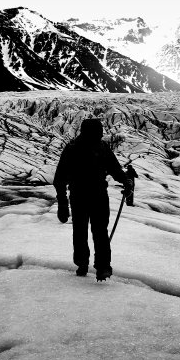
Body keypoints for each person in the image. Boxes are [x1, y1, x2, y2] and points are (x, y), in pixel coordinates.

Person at [53, 118, 132, 281]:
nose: (101, 134)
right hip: (97, 196)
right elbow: (115, 169)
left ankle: (84, 264)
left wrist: (62, 202)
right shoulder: (100, 147)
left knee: (81, 232)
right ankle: (102, 267)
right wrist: (125, 180)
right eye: (99, 131)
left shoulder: (73, 148)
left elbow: (59, 179)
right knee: (100, 232)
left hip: (79, 196)